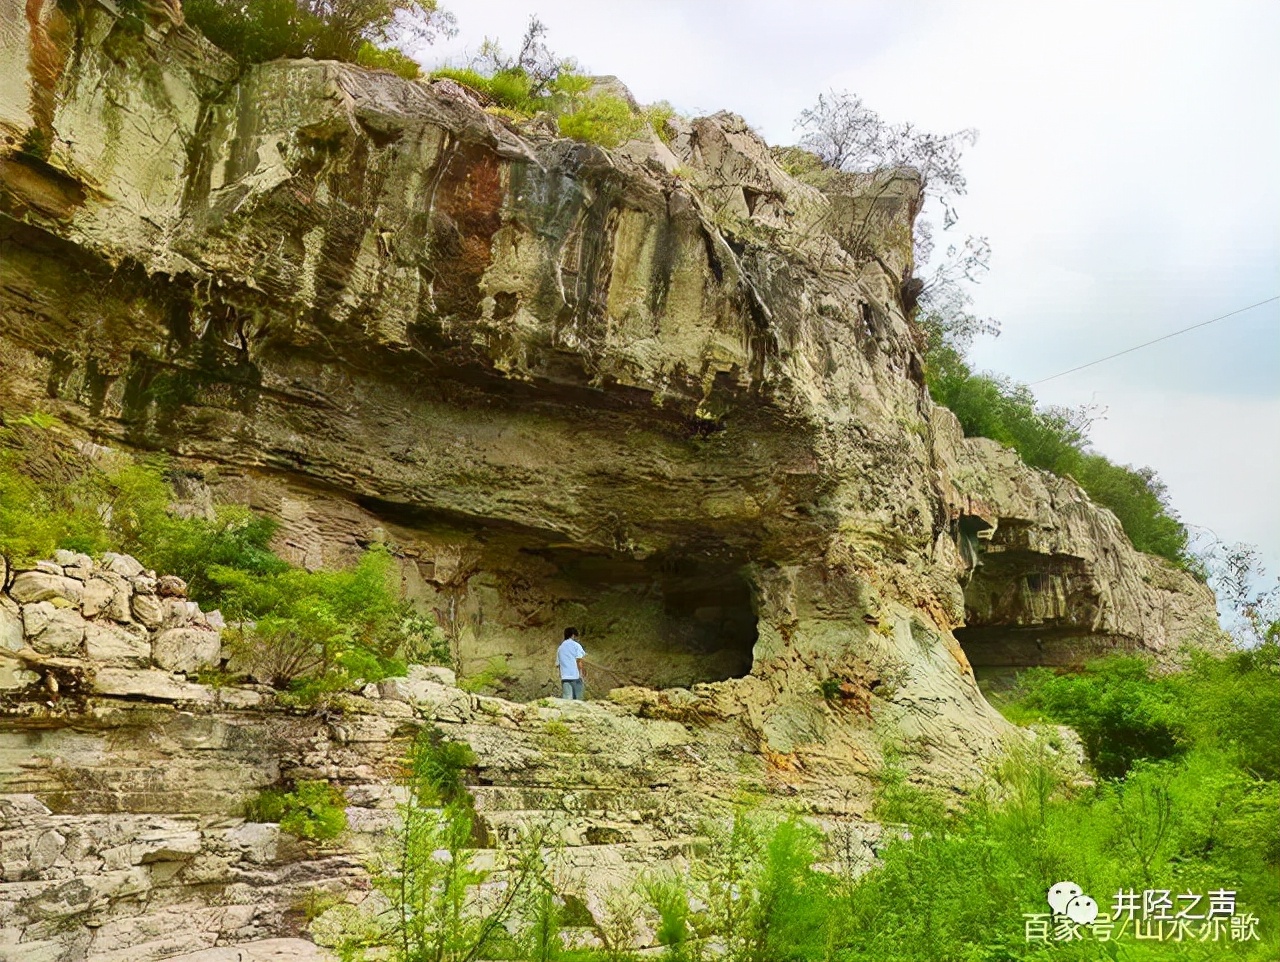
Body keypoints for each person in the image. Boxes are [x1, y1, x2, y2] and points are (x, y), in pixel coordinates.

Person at [556, 627, 586, 700]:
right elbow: (579, 660)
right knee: (579, 700)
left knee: (567, 700)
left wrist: (561, 675)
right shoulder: (576, 645)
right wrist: (581, 673)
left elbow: (558, 664)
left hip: (565, 677)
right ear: (573, 635)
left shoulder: (560, 648)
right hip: (576, 676)